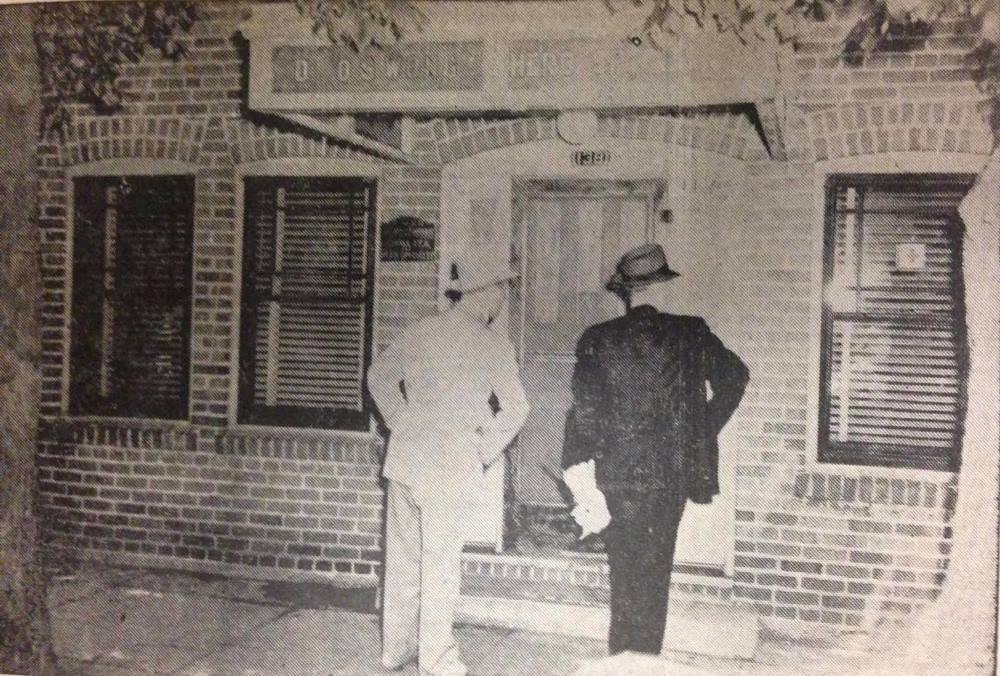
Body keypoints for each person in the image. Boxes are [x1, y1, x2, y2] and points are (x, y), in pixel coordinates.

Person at [561, 242, 750, 656]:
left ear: (625, 292)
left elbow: (584, 415)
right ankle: (645, 663)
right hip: (671, 475)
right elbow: (735, 377)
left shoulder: (597, 340)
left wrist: (580, 476)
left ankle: (621, 662)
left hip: (617, 476)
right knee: (655, 575)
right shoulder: (690, 332)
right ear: (662, 288)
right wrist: (700, 431)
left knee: (623, 578)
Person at [367, 249, 530, 676]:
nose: (502, 301)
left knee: (403, 561)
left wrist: (400, 421)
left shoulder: (422, 330)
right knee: (440, 565)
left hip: (404, 461)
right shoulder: (494, 344)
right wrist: (482, 450)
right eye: (502, 291)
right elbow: (516, 408)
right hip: (450, 465)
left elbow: (377, 377)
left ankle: (395, 651)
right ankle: (436, 660)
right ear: (486, 292)